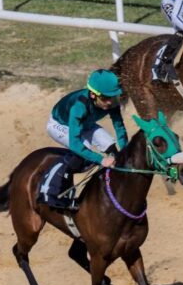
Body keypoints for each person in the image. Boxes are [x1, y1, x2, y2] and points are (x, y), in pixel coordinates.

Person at [42, 69, 129, 206]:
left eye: (113, 97)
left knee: (111, 146)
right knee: (83, 152)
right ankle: (54, 189)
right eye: (105, 98)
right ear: (93, 95)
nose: (109, 103)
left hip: (85, 123)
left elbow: (119, 128)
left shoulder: (112, 103)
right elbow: (75, 144)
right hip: (60, 124)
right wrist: (101, 160)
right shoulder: (79, 106)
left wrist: (126, 152)